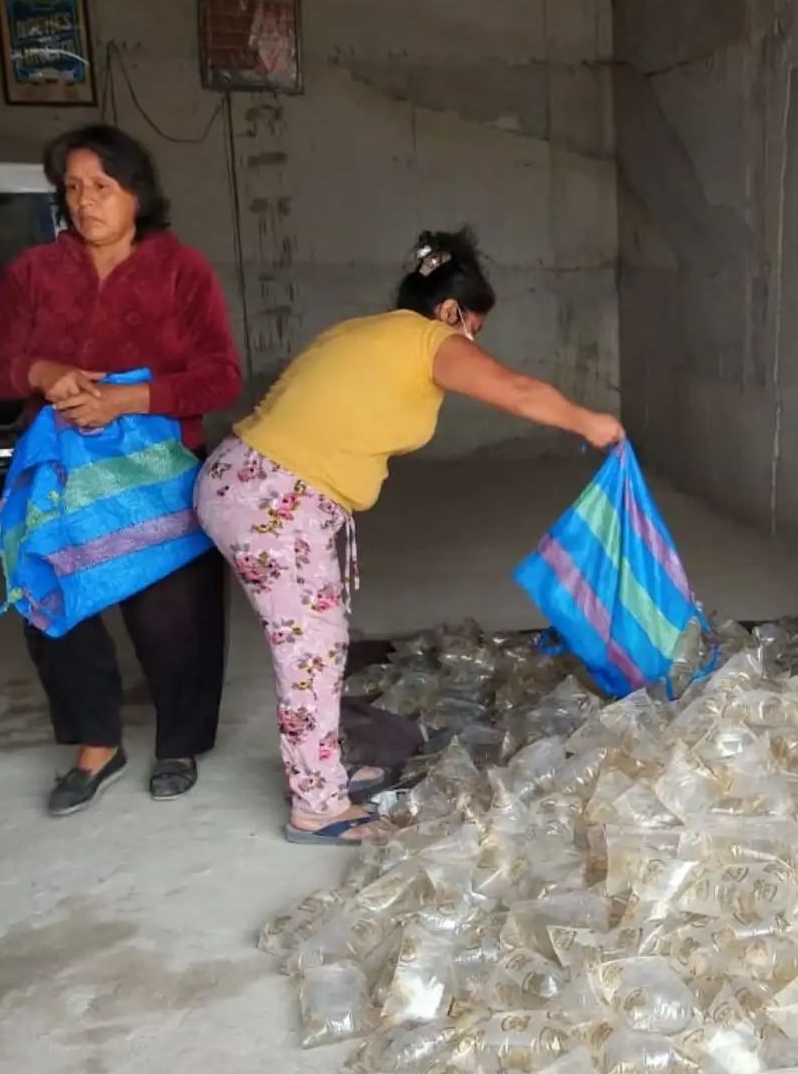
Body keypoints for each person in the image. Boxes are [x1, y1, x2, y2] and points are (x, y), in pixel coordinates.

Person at [197, 228, 624, 845]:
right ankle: (317, 807)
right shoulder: (429, 338)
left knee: (321, 641)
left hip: (254, 482)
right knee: (310, 652)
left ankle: (325, 772)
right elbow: (518, 391)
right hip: (275, 496)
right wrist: (593, 422)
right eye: (473, 327)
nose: (472, 343)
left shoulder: (361, 332)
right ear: (452, 311)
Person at [0, 124, 241, 814]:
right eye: (74, 189)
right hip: (62, 468)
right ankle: (94, 743)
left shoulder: (181, 270)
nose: (86, 202)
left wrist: (129, 398)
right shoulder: (35, 274)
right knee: (53, 602)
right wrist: (39, 370)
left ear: (137, 193)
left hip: (158, 465)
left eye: (102, 187)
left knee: (175, 610)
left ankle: (177, 742)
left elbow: (220, 377)